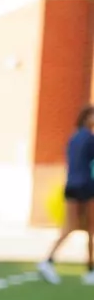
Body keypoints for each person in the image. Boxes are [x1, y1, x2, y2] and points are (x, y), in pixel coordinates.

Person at [37, 103, 94, 284]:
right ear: (86, 118)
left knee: (69, 228)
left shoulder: (73, 138)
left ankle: (48, 261)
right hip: (85, 186)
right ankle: (90, 270)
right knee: (90, 229)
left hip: (71, 185)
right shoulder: (88, 138)